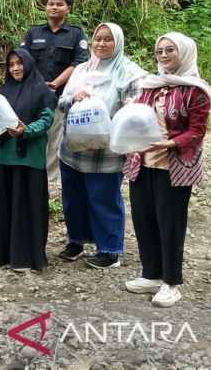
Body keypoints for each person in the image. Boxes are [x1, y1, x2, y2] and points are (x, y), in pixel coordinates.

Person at [123, 33, 211, 307]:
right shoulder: (149, 86)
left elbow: (197, 132)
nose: (163, 55)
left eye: (170, 50)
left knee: (170, 224)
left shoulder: (195, 90)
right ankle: (151, 274)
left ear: (184, 53)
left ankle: (171, 282)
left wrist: (171, 143)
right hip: (143, 163)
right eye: (159, 51)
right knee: (143, 219)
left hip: (174, 168)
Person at [56, 23, 145, 269]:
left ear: (118, 43)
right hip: (73, 149)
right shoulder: (82, 70)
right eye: (98, 39)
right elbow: (62, 101)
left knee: (103, 198)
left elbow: (134, 112)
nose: (102, 44)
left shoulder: (130, 73)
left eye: (108, 40)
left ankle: (109, 249)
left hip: (105, 152)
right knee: (73, 197)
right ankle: (77, 240)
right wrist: (74, 98)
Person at [0, 49, 57, 271]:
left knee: (29, 206)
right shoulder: (3, 91)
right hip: (5, 156)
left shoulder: (42, 90)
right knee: (5, 206)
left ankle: (27, 257)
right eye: (11, 64)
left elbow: (46, 120)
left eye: (19, 63)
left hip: (29, 158)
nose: (15, 68)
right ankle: (2, 255)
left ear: (29, 64)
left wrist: (26, 130)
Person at [21, 0, 89, 183]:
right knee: (31, 132)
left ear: (68, 8)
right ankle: (30, 175)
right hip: (33, 95)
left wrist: (55, 83)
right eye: (51, 4)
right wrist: (39, 85)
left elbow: (80, 63)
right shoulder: (34, 32)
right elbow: (23, 60)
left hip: (60, 96)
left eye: (60, 4)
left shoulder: (76, 34)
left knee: (54, 138)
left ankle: (47, 181)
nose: (54, 7)